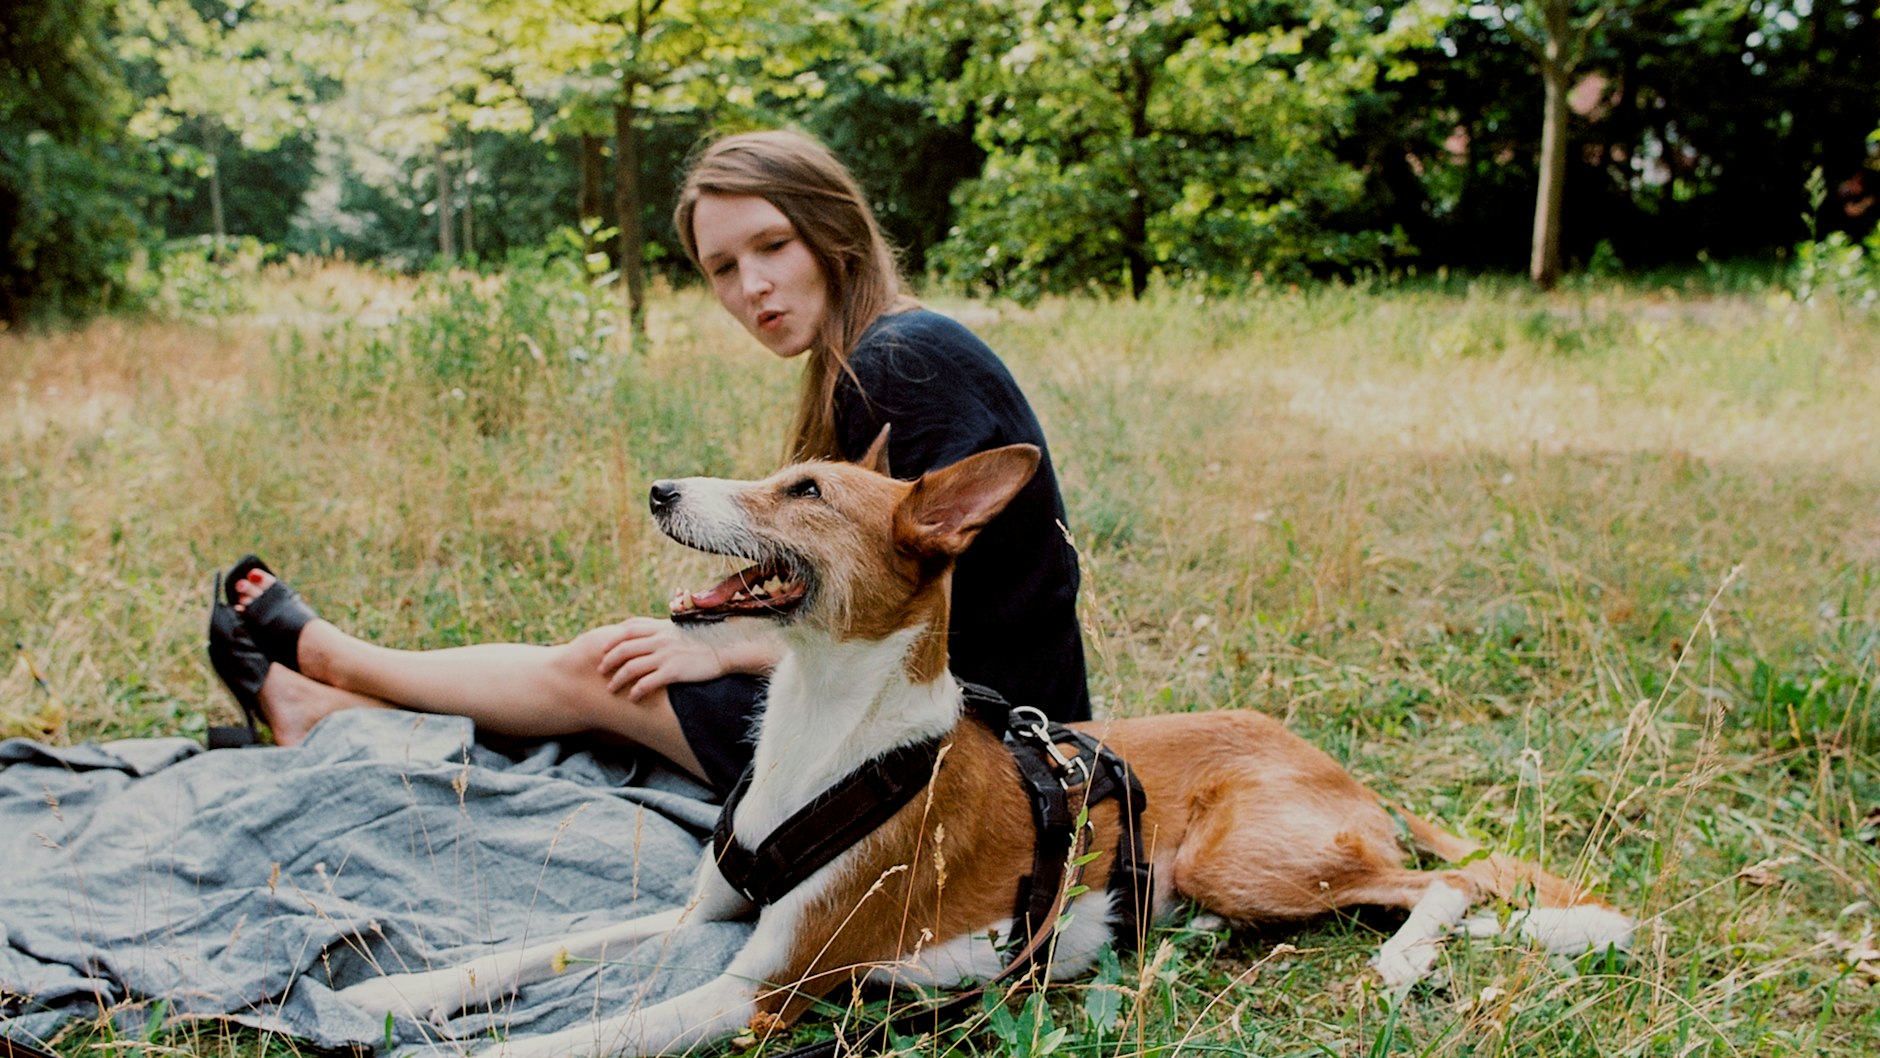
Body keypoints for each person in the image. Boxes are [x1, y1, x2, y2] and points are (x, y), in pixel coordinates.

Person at [207, 129, 1089, 795]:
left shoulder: (909, 356)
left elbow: (921, 614)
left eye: (773, 246)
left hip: (978, 746)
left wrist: (729, 653)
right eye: (722, 268)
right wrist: (729, 639)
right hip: (907, 716)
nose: (753, 288)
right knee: (625, 668)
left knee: (606, 668)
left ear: (834, 229)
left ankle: (335, 662)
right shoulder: (861, 364)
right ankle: (328, 708)